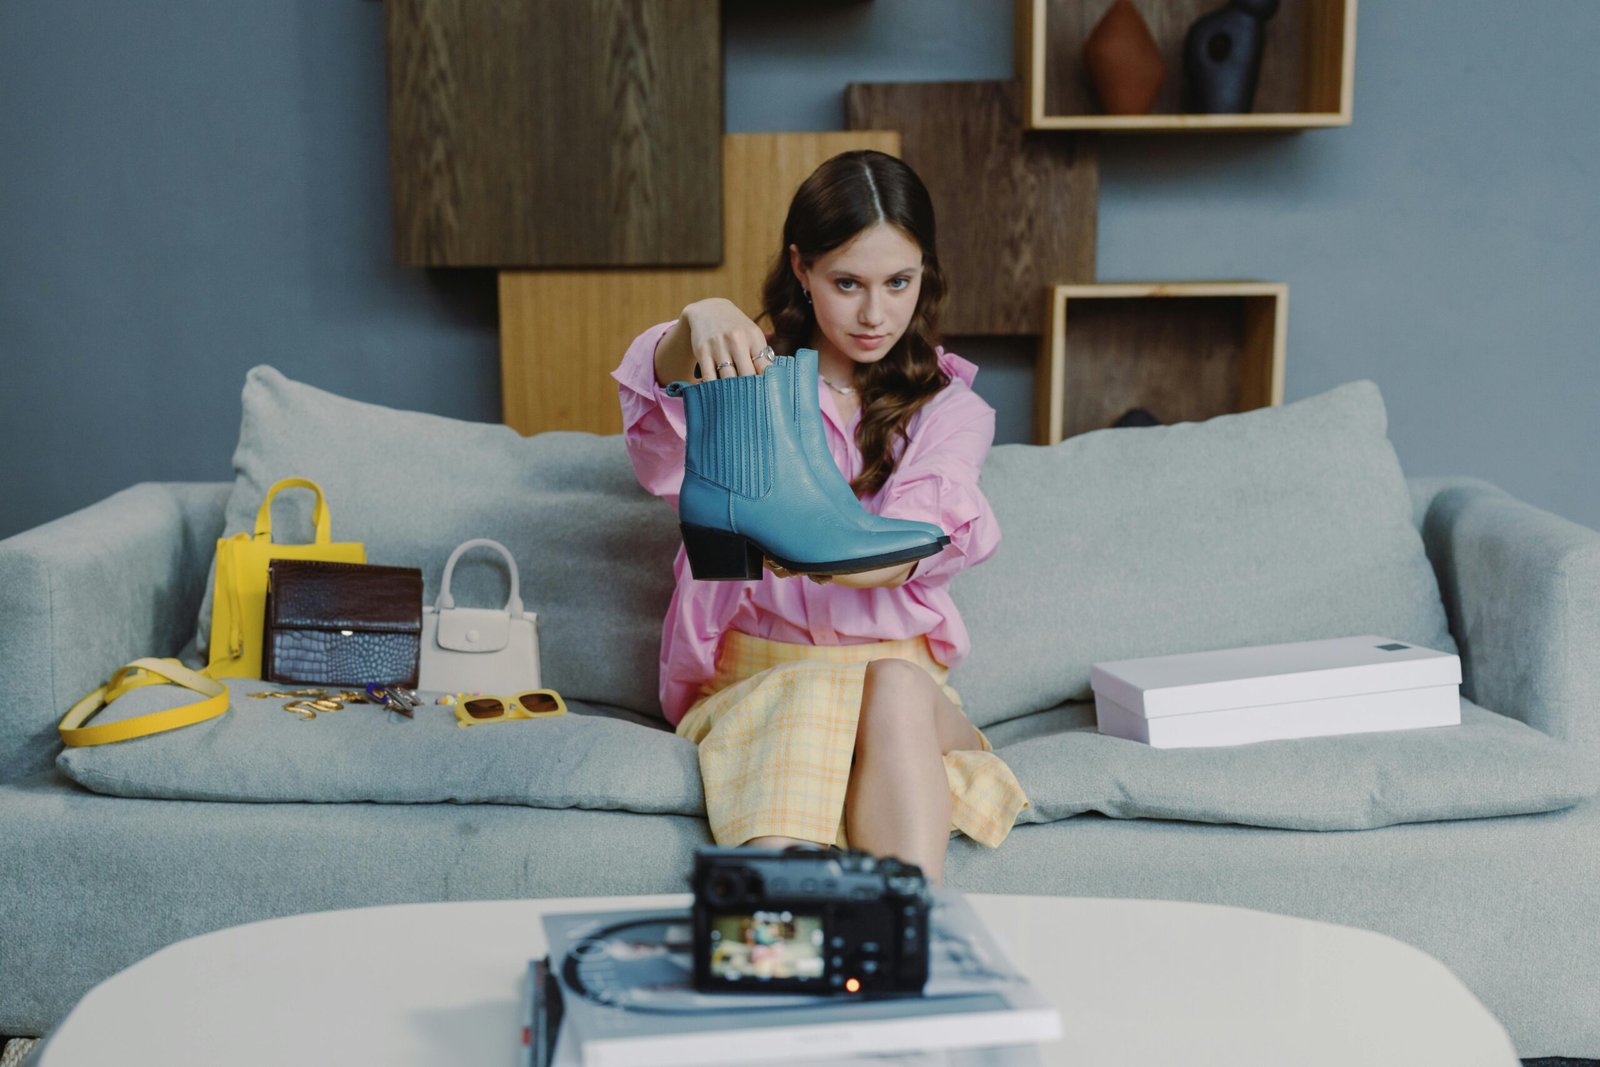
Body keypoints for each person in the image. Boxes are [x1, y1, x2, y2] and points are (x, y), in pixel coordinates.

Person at [611, 150, 1027, 885]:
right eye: (847, 283)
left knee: (893, 683)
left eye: (899, 282)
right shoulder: (745, 388)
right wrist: (699, 320)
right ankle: (795, 920)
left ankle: (897, 925)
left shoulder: (950, 411)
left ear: (924, 273)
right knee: (807, 695)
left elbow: (921, 533)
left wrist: (805, 538)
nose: (875, 314)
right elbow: (656, 403)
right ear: (801, 268)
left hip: (904, 692)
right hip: (761, 683)